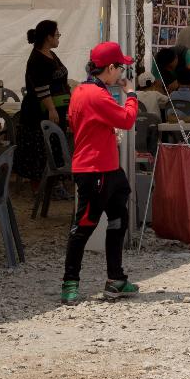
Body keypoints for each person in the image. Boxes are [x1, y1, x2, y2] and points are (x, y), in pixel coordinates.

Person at [60, 42, 139, 304]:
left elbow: (79, 123)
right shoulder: (98, 95)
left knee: (118, 219)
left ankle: (116, 279)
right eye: (121, 67)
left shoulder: (81, 90)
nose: (122, 73)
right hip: (95, 170)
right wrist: (131, 94)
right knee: (83, 227)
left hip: (107, 167)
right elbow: (127, 120)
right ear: (111, 68)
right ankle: (70, 283)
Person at [16, 21, 70, 185]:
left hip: (56, 108)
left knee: (54, 145)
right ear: (48, 37)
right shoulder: (37, 59)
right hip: (39, 112)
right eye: (57, 34)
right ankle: (41, 186)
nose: (59, 37)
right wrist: (52, 109)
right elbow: (41, 87)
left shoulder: (51, 54)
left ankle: (54, 183)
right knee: (41, 148)